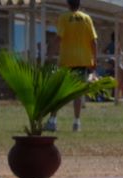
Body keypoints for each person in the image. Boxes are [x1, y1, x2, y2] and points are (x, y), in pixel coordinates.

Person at [43, 0, 97, 133]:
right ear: (79, 4)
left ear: (68, 4)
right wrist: (94, 61)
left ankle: (52, 121)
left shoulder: (64, 18)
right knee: (77, 93)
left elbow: (59, 38)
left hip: (66, 60)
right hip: (82, 61)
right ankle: (76, 123)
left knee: (59, 91)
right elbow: (94, 41)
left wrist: (50, 55)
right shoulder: (87, 18)